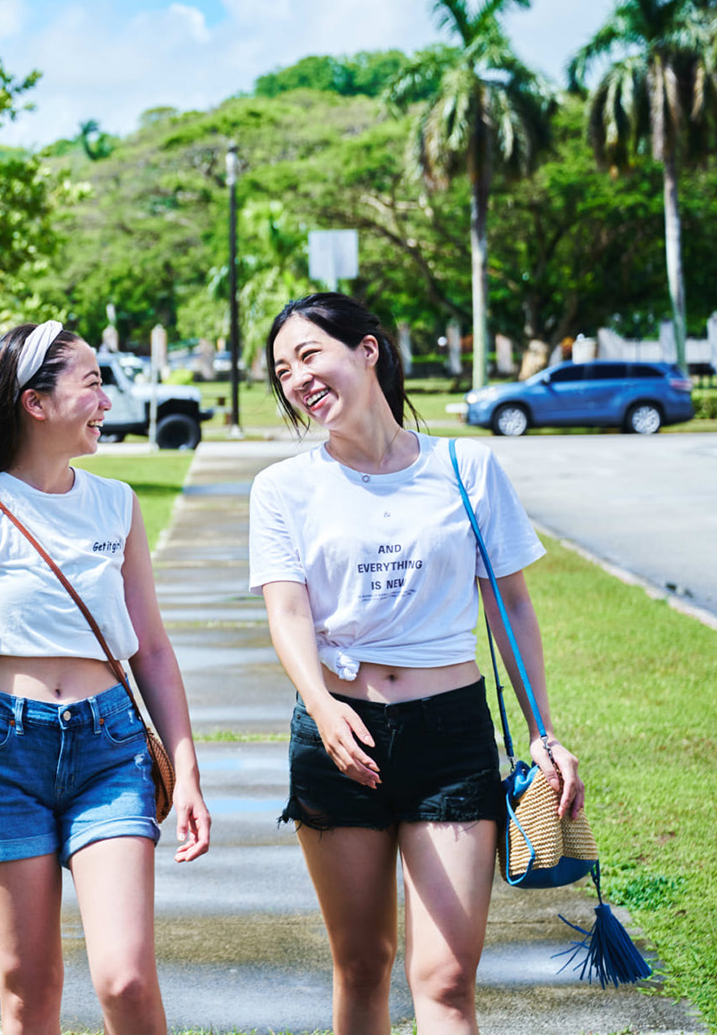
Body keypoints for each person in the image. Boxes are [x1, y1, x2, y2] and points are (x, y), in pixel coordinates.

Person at [250, 293, 584, 1035]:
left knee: (447, 981)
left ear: (368, 352)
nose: (298, 379)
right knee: (362, 965)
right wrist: (323, 705)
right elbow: (288, 612)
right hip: (339, 735)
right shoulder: (284, 488)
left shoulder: (467, 467)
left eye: (310, 355)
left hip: (449, 738)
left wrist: (544, 732)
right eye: (283, 370)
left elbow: (511, 607)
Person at [0, 320, 210, 1035]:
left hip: (109, 751)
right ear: (35, 401)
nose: (105, 400)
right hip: (2, 754)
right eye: (91, 384)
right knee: (28, 990)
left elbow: (150, 648)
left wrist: (185, 771)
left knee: (124, 978)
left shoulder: (116, 503)